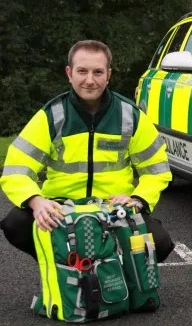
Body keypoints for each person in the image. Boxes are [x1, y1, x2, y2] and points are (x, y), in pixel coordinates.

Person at [0, 39, 174, 261]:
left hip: (113, 210)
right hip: (61, 209)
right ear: (69, 73)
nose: (89, 80)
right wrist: (37, 201)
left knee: (159, 243)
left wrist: (137, 199)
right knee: (15, 224)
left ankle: (120, 274)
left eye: (98, 72)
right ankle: (57, 265)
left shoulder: (130, 116)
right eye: (82, 71)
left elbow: (157, 170)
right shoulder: (51, 116)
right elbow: (16, 170)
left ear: (108, 75)